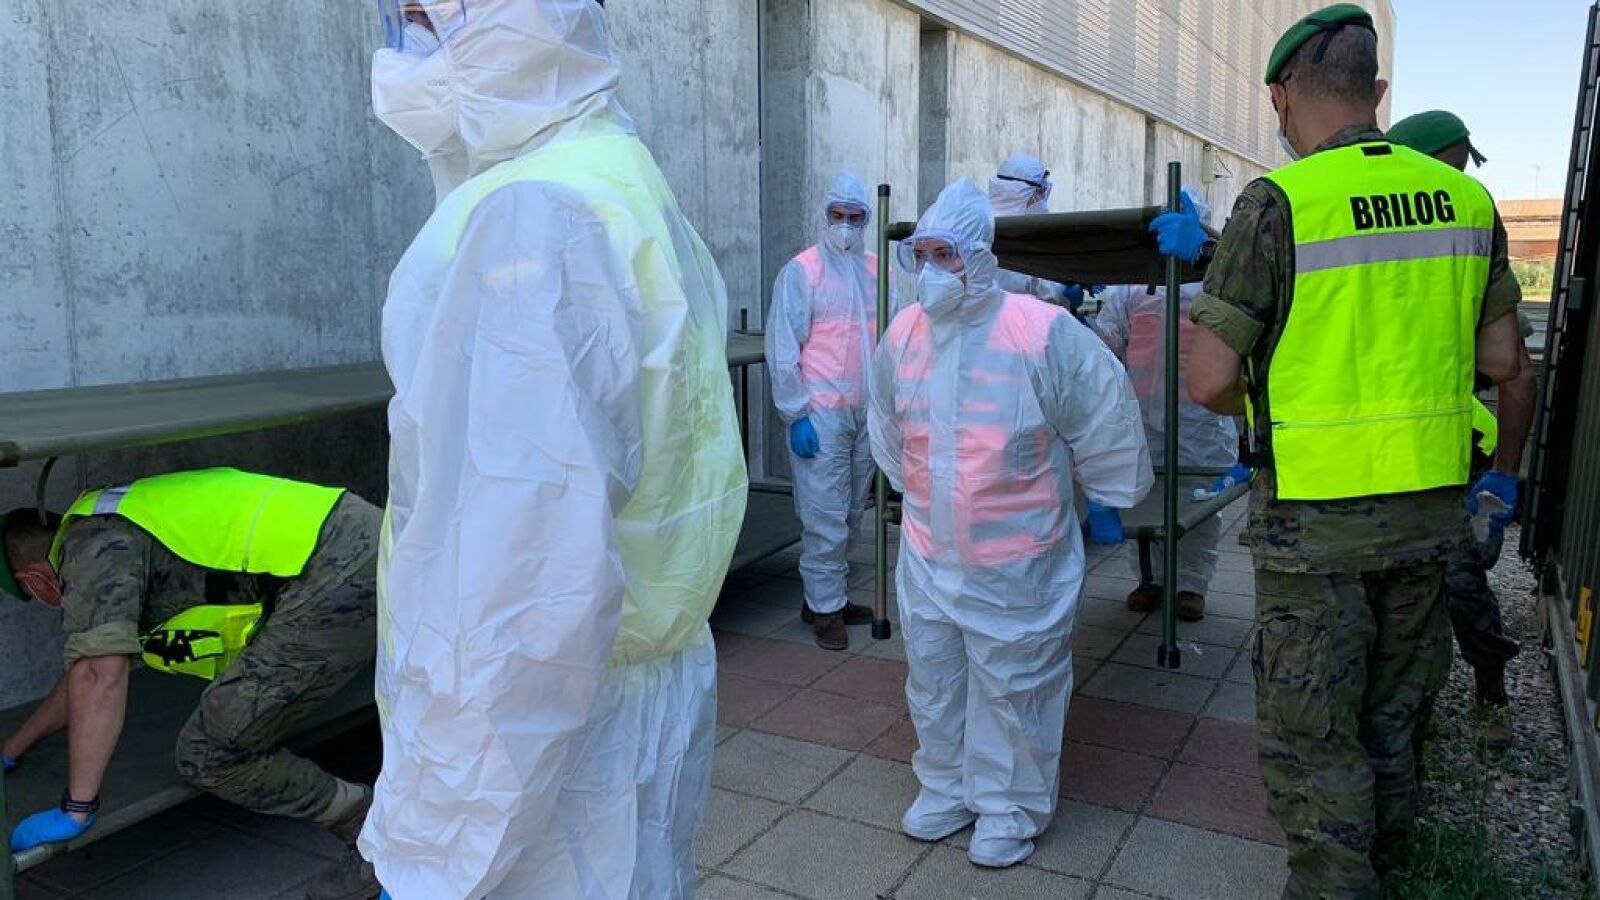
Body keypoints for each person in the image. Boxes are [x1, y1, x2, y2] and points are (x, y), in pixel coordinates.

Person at [364, 1, 748, 898]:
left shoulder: (532, 217)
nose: (404, 49)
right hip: (620, 697)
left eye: (427, 19)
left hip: (544, 749)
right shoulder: (614, 174)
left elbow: (522, 575)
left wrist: (438, 846)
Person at [1177, 6, 1529, 896]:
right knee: (1392, 716)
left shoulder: (1280, 202)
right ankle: (1389, 870)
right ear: (1377, 90)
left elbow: (1209, 379)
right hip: (1430, 519)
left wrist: (1281, 409)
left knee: (1314, 737)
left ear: (1280, 97)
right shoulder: (1467, 202)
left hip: (1315, 529)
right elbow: (1501, 362)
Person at [869, 179, 1151, 869]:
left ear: (980, 256)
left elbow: (1103, 410)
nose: (931, 270)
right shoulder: (904, 335)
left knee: (1016, 687)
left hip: (1019, 561)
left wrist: (1109, 492)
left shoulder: (1038, 331)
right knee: (935, 680)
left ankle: (1009, 808)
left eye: (946, 254)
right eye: (921, 255)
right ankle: (945, 786)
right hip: (929, 552)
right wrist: (924, 496)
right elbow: (888, 428)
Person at [0, 468, 380, 900]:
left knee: (209, 754)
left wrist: (77, 808)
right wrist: (12, 748)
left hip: (335, 572)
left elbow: (98, 676)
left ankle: (375, 837)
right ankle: (411, 844)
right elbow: (80, 678)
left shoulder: (89, 550)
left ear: (35, 581)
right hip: (352, 541)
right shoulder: (111, 520)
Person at [1389, 110, 1537, 749]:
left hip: (1459, 453)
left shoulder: (1467, 246)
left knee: (1460, 579)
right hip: (1382, 455)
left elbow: (1515, 371)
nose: (1455, 183)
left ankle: (1490, 690)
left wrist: (1503, 475)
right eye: (1449, 165)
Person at [1092, 188, 1240, 622]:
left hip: (1202, 419)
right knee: (1144, 500)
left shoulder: (1216, 283)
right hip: (1142, 416)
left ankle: (1191, 586)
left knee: (1198, 506)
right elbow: (1107, 343)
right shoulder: (1134, 288)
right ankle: (1150, 580)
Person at [766, 173, 884, 650]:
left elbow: (891, 337)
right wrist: (796, 414)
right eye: (838, 215)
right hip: (821, 413)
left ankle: (825, 598)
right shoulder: (803, 270)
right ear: (825, 215)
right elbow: (782, 348)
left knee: (852, 510)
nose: (846, 225)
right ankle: (825, 609)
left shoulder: (875, 271)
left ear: (867, 220)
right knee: (824, 515)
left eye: (855, 217)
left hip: (865, 411)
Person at [986, 153, 1100, 314]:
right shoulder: (997, 232)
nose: (1043, 200)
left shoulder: (988, 221)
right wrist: (1063, 293)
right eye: (1040, 192)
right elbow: (1021, 287)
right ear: (1019, 192)